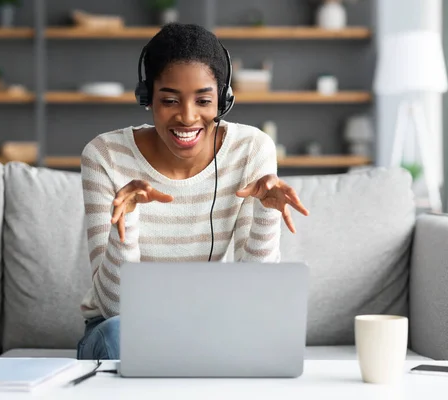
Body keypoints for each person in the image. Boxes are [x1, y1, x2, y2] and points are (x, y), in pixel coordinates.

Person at [76, 22, 309, 361]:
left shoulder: (251, 149)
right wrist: (126, 223)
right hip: (117, 330)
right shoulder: (105, 155)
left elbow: (256, 297)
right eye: (169, 100)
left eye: (203, 100)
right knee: (119, 334)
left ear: (223, 100)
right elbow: (114, 308)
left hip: (205, 323)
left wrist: (265, 214)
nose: (187, 117)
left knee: (259, 339)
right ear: (147, 98)